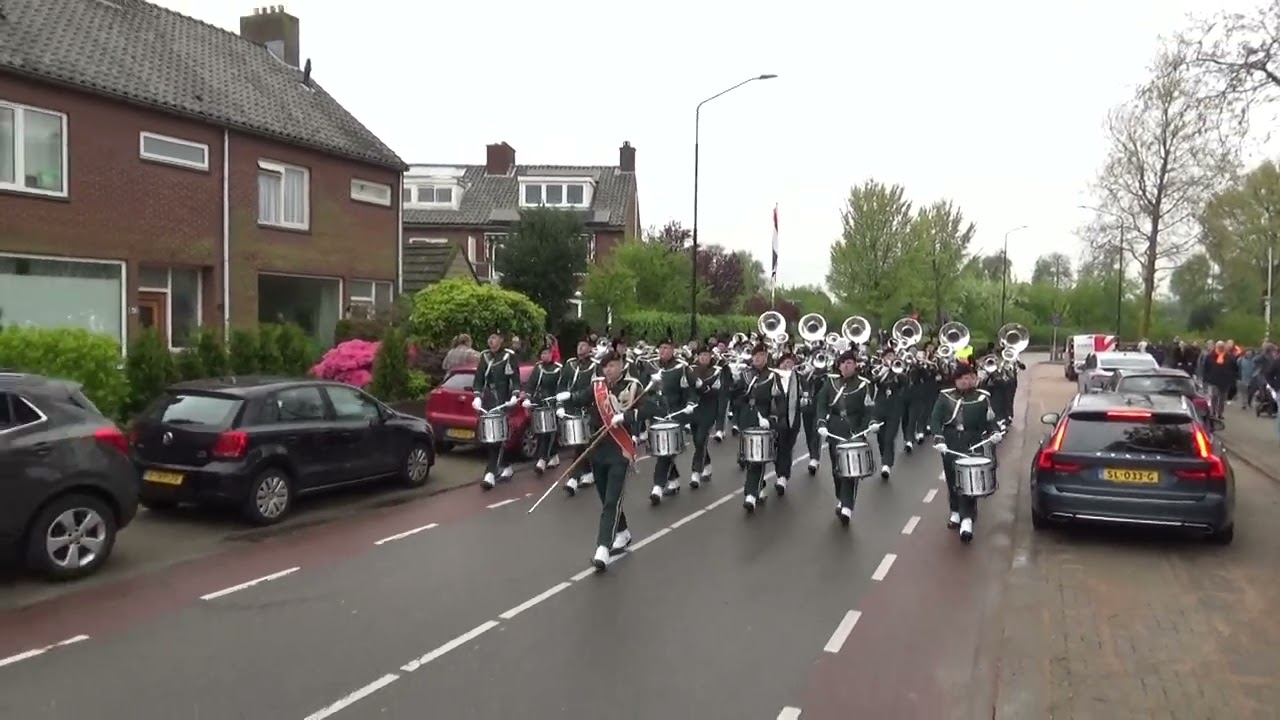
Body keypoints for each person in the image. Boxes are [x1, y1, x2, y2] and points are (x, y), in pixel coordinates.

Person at [554, 352, 655, 571]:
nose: (608, 370)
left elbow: (652, 408)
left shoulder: (633, 385)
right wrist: (566, 398)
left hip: (620, 450)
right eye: (605, 366)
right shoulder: (597, 386)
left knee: (612, 500)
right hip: (597, 449)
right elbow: (581, 398)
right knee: (605, 497)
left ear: (621, 365)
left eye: (612, 365)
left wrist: (627, 417)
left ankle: (603, 548)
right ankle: (623, 532)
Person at [930, 362, 1003, 542]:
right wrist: (939, 438)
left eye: (969, 377)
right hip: (951, 441)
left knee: (969, 479)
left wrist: (995, 433)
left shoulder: (982, 397)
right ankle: (955, 510)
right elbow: (935, 420)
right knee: (952, 478)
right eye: (962, 378)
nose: (965, 381)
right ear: (955, 380)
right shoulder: (945, 396)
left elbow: (990, 421)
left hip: (973, 441)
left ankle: (967, 519)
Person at [815, 351, 873, 526]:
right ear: (839, 366)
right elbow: (822, 404)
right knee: (837, 468)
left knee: (851, 469)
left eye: (850, 363)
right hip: (834, 429)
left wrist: (866, 428)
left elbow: (868, 410)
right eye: (843, 363)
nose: (846, 366)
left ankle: (847, 505)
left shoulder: (863, 385)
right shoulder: (831, 383)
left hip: (853, 430)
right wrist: (821, 423)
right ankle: (841, 497)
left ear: (855, 365)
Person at [647, 339, 695, 504]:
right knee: (663, 451)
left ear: (673, 350)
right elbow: (644, 390)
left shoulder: (681, 368)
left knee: (666, 453)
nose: (662, 351)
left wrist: (690, 404)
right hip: (657, 414)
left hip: (675, 414)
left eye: (666, 348)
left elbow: (690, 390)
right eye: (660, 347)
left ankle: (657, 487)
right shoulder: (651, 366)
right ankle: (673, 482)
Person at [732, 344, 777, 511]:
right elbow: (734, 397)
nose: (759, 358)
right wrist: (741, 400)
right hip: (747, 418)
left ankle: (750, 494)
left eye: (762, 355)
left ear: (767, 358)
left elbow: (777, 400)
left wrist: (771, 419)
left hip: (763, 418)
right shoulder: (744, 375)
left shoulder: (773, 376)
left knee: (758, 458)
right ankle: (760, 486)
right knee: (749, 458)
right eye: (756, 355)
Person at [472, 333, 519, 489]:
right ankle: (506, 466)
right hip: (488, 401)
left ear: (501, 340)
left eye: (494, 338)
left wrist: (515, 395)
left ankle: (490, 473)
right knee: (491, 437)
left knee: (498, 438)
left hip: (502, 400)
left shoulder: (508, 356)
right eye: (489, 338)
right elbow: (478, 379)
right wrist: (477, 396)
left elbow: (515, 379)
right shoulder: (484, 356)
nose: (490, 341)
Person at [558, 340, 599, 496]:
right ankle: (588, 472)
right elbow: (562, 385)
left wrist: (574, 396)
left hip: (588, 409)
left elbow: (593, 389)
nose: (580, 348)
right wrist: (560, 405)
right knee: (580, 444)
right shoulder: (570, 364)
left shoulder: (595, 366)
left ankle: (573, 478)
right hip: (572, 409)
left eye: (583, 345)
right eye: (578, 345)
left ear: (590, 348)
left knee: (583, 443)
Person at [522, 343, 563, 474]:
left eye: (547, 353)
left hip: (552, 404)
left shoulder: (558, 369)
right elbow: (531, 384)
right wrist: (528, 398)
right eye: (543, 353)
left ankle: (543, 459)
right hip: (539, 403)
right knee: (540, 432)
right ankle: (553, 456)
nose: (545, 356)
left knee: (550, 432)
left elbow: (561, 387)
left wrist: (559, 403)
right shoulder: (538, 368)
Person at [688, 346, 722, 487]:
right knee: (697, 441)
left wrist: (701, 387)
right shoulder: (691, 370)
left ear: (710, 357)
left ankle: (696, 472)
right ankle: (707, 465)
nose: (703, 357)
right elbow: (688, 388)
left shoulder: (716, 371)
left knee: (701, 439)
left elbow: (715, 391)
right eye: (701, 355)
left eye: (706, 355)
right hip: (694, 410)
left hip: (708, 410)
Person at [871, 346, 907, 479]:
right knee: (880, 438)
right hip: (880, 406)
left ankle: (887, 464)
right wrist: (883, 370)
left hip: (894, 408)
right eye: (888, 356)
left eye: (892, 356)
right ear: (883, 358)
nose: (890, 358)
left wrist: (898, 373)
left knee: (889, 437)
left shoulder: (898, 370)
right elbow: (872, 381)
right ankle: (884, 458)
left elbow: (905, 382)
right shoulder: (879, 369)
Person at [771, 352, 803, 495]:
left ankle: (782, 477)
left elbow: (808, 392)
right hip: (775, 419)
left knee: (786, 447)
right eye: (785, 362)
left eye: (790, 362)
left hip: (793, 420)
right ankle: (781, 473)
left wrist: (805, 399)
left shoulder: (799, 378)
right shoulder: (772, 377)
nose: (787, 364)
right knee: (775, 448)